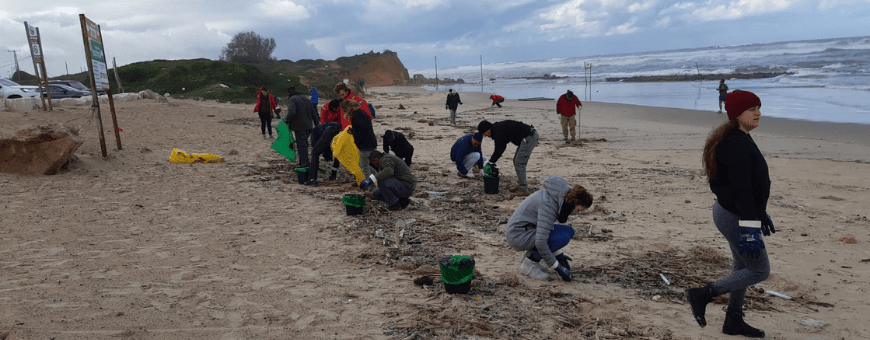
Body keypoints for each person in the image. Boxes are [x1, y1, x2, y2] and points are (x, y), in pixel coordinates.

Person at [686, 90, 774, 338]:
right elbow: (742, 190)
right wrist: (750, 228)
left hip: (733, 212)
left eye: (758, 107)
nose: (757, 113)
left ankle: (733, 320)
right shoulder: (735, 144)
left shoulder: (739, 136)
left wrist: (761, 213)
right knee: (759, 270)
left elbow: (748, 185)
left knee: (742, 265)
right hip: (735, 215)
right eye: (751, 109)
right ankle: (703, 293)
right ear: (737, 114)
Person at [506, 176, 593, 281]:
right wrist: (556, 266)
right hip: (518, 236)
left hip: (528, 229)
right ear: (574, 202)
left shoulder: (557, 197)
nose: (575, 213)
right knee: (563, 237)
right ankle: (529, 264)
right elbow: (541, 241)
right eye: (578, 210)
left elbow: (546, 229)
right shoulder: (549, 205)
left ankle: (530, 257)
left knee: (568, 231)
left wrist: (558, 254)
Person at [477, 120, 539, 192]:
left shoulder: (498, 131)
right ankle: (521, 185)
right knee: (516, 161)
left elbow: (499, 148)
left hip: (529, 137)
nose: (486, 136)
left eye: (485, 134)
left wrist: (491, 161)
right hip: (527, 137)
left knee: (519, 163)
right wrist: (492, 161)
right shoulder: (497, 129)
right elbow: (502, 146)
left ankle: (523, 189)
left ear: (487, 130)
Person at [284, 86, 320, 170]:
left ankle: (305, 163)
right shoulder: (307, 99)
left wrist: (286, 120)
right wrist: (317, 125)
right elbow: (314, 113)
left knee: (301, 145)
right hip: (308, 126)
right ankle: (303, 161)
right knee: (304, 144)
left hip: (299, 126)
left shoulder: (292, 99)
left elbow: (292, 112)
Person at [342, 99, 377, 178]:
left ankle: (373, 187)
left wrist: (357, 141)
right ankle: (379, 179)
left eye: (344, 110)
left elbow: (362, 130)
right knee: (366, 165)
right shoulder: (361, 113)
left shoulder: (356, 115)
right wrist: (353, 131)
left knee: (364, 167)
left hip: (365, 144)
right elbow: (362, 128)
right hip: (371, 142)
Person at [305, 122, 342, 186]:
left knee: (314, 153)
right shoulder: (321, 127)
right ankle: (333, 175)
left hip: (329, 130)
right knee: (337, 153)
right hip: (341, 130)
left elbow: (315, 145)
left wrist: (324, 152)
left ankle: (312, 179)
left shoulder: (314, 131)